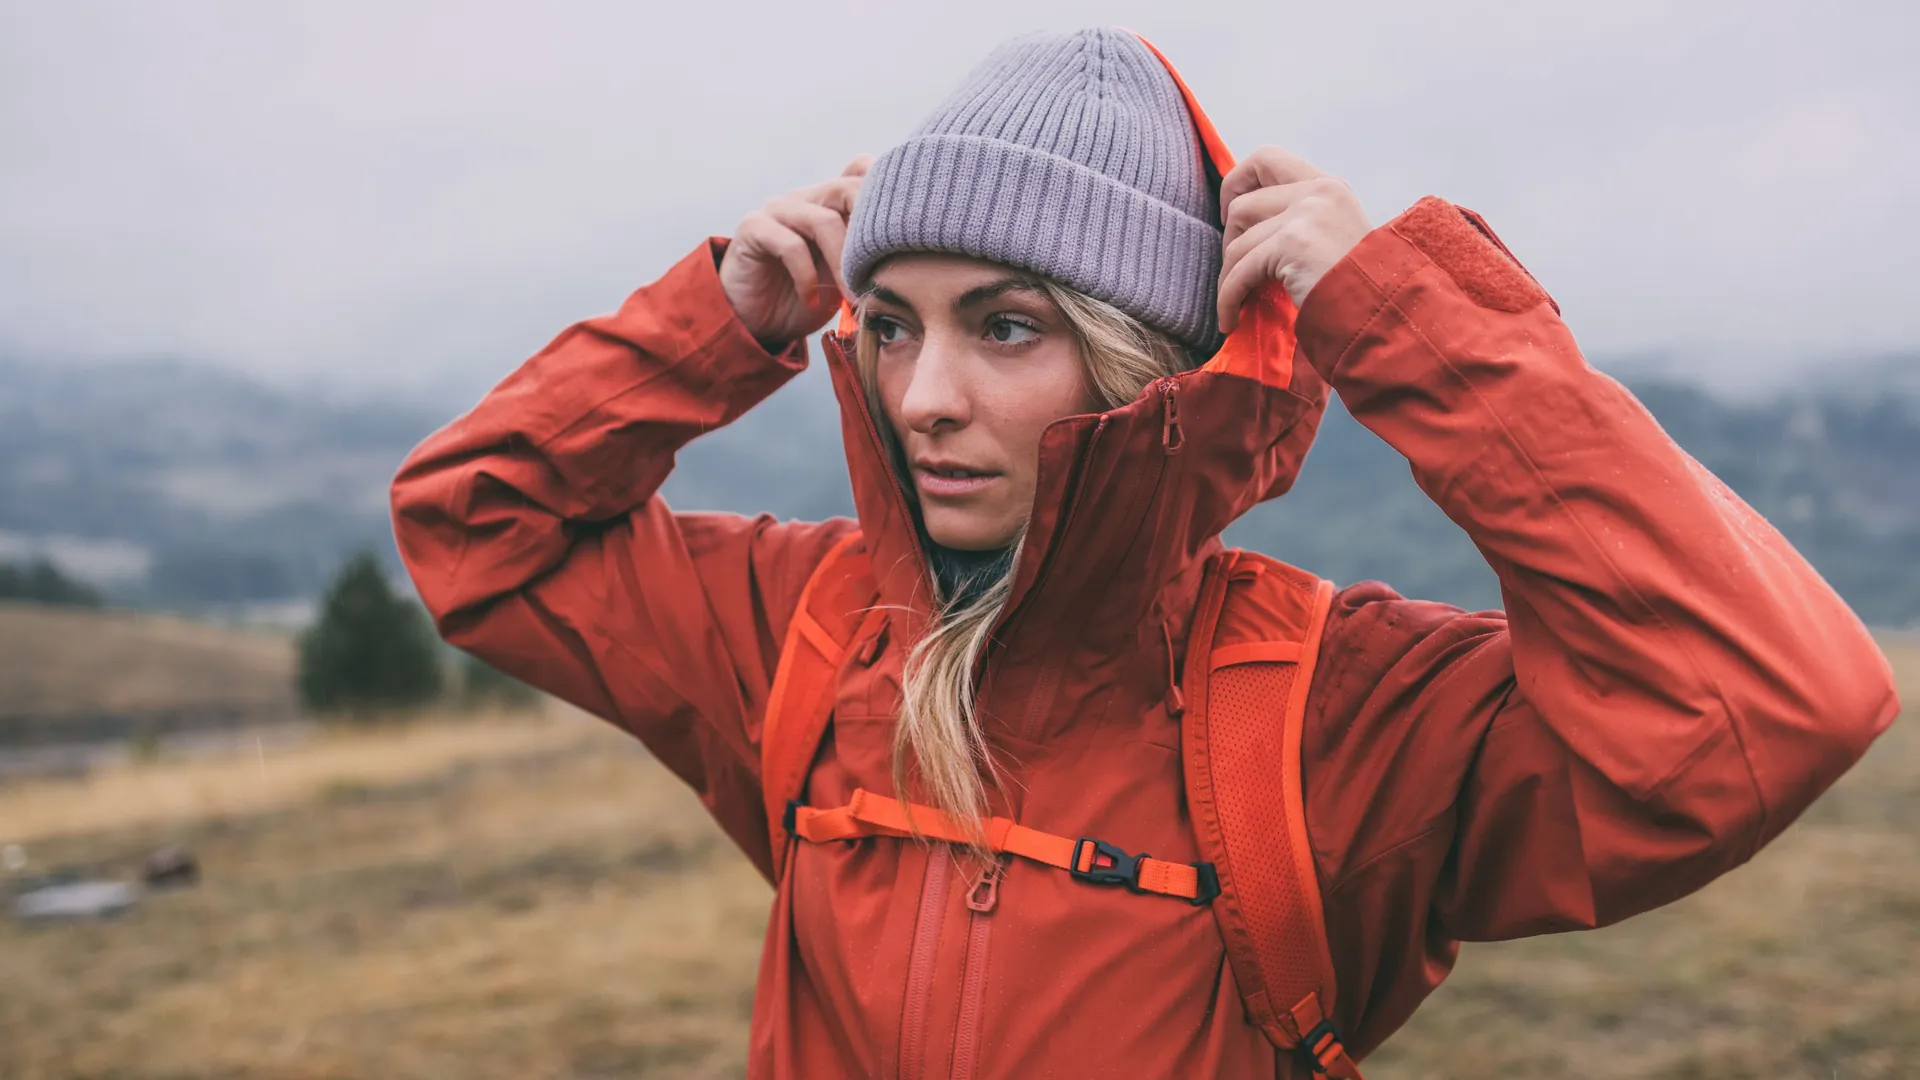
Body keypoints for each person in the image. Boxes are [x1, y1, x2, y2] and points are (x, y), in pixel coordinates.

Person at [390, 26, 1900, 1079]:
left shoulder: (1330, 718)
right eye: (895, 322)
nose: (922, 396)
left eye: (1008, 327)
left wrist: (1405, 320)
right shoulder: (803, 634)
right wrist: (713, 317)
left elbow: (1763, 712)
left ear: (1146, 368)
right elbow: (474, 526)